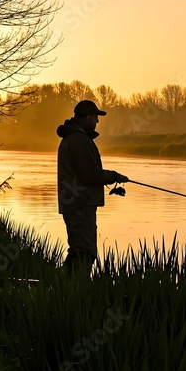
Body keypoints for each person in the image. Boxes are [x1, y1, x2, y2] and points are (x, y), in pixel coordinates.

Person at [56, 99, 128, 276]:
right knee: (85, 253)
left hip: (77, 202)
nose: (97, 121)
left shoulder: (76, 137)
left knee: (79, 251)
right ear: (88, 117)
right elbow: (90, 175)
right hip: (80, 203)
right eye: (96, 117)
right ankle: (75, 290)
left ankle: (62, 287)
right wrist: (114, 176)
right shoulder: (79, 139)